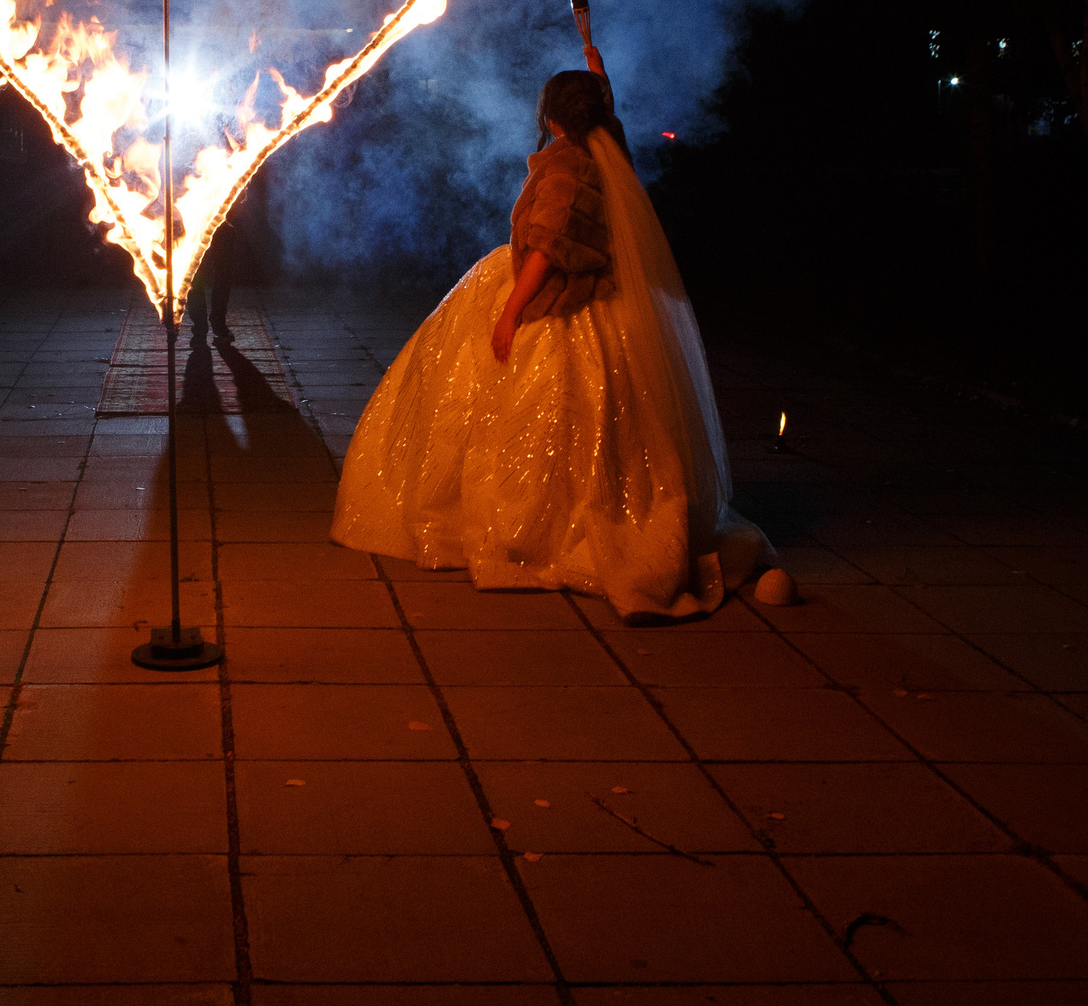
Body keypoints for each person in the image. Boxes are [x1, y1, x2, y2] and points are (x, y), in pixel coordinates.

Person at [331, 69, 772, 619]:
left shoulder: (567, 164)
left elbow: (547, 247)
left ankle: (537, 532)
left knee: (528, 407)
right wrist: (593, 57)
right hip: (598, 298)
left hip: (554, 299)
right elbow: (605, 108)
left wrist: (510, 314)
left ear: (552, 117)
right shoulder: (607, 146)